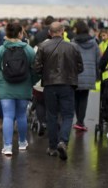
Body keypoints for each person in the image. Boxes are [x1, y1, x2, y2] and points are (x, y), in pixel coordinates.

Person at [33, 21, 83, 160]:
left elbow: (36, 68)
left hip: (49, 85)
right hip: (68, 84)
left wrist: (46, 73)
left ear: (50, 32)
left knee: (51, 115)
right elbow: (80, 67)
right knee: (67, 115)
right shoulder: (73, 47)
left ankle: (53, 147)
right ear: (63, 31)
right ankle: (63, 141)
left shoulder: (43, 46)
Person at [0, 21, 37, 155]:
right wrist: (31, 81)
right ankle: (22, 142)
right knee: (21, 116)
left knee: (8, 116)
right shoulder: (28, 50)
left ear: (6, 33)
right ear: (21, 33)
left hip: (5, 89)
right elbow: (36, 69)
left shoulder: (1, 50)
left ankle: (8, 146)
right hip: (24, 88)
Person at [71, 21, 100, 132]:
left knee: (75, 98)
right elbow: (98, 61)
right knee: (83, 98)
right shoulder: (94, 44)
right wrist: (97, 75)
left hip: (75, 74)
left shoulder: (73, 43)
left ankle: (76, 119)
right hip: (89, 75)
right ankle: (80, 121)